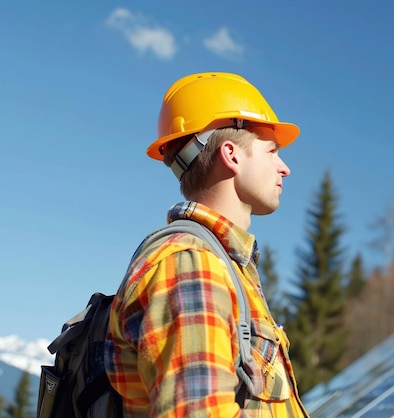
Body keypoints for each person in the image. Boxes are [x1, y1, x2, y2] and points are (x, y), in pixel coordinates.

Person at [104, 72, 309, 417]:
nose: (284, 168)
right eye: (272, 151)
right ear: (231, 155)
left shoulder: (221, 265)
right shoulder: (191, 265)